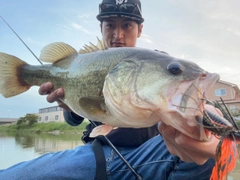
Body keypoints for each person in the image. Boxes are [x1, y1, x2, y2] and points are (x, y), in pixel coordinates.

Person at [0, 0, 221, 179]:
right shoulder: (81, 61)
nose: (118, 35)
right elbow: (74, 120)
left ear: (140, 29)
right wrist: (67, 105)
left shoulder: (158, 61)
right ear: (101, 28)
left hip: (154, 153)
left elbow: (195, 104)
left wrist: (213, 123)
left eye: (127, 25)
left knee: (205, 157)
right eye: (110, 25)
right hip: (96, 153)